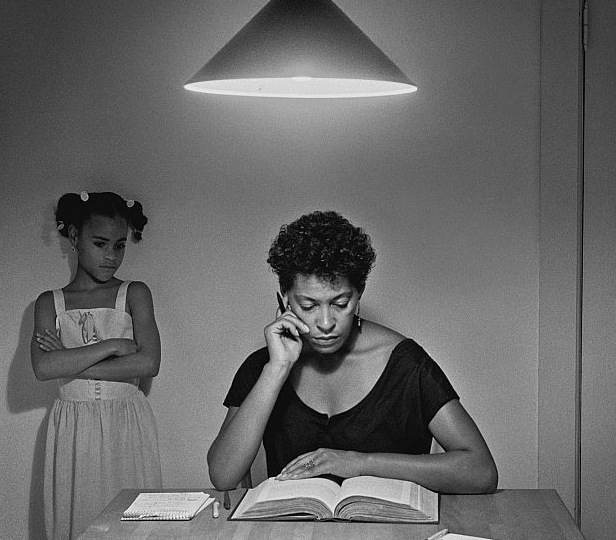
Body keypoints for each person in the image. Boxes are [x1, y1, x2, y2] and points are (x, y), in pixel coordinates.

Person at [208, 210, 498, 493]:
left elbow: (481, 471)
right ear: (285, 301)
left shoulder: (405, 364)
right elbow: (223, 475)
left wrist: (359, 463)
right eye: (308, 306)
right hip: (293, 536)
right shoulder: (265, 366)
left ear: (358, 297)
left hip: (393, 535)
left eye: (340, 303)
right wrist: (277, 369)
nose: (325, 323)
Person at [31, 191, 162, 540]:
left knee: (135, 533)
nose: (111, 255)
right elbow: (43, 368)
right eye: (100, 243)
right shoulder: (49, 303)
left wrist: (70, 361)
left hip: (126, 423)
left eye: (119, 245)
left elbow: (148, 363)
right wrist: (112, 345)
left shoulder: (134, 294)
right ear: (74, 237)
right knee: (78, 534)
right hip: (73, 429)